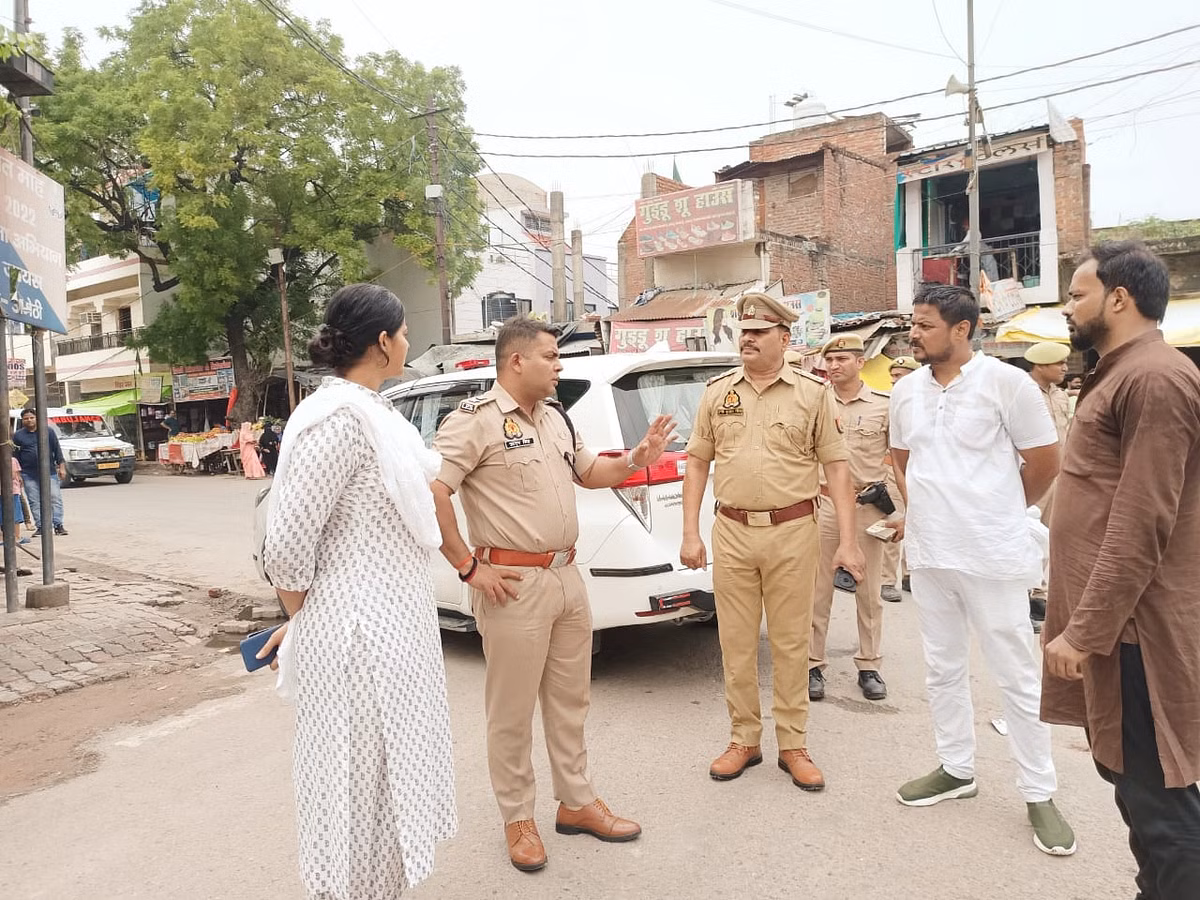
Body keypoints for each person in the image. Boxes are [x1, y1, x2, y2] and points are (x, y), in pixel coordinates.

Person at [432, 315, 673, 873]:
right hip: (511, 584)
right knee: (511, 711)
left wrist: (638, 457)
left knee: (570, 703)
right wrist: (468, 568)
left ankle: (578, 802)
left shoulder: (557, 418)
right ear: (517, 360)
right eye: (550, 357)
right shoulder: (473, 422)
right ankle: (518, 817)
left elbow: (588, 473)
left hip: (567, 578)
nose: (558, 366)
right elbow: (435, 493)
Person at [259, 284, 457, 899]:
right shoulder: (339, 421)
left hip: (394, 630)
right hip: (354, 639)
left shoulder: (380, 414)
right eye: (401, 334)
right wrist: (309, 616)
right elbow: (286, 547)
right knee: (353, 785)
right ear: (381, 341)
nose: (406, 344)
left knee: (389, 781)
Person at [888, 282, 1075, 856]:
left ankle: (1039, 790)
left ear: (962, 329)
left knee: (1015, 674)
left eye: (924, 325)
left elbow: (1046, 463)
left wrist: (994, 512)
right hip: (931, 553)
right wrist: (932, 516)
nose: (913, 334)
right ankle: (956, 768)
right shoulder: (906, 392)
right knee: (942, 668)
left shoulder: (1007, 383)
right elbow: (901, 461)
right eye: (913, 324)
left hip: (992, 555)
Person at [1041, 242, 1200, 898]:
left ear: (1118, 298)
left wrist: (1083, 633)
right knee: (1134, 786)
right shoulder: (1121, 372)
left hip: (1135, 630)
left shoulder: (1155, 378)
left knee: (1158, 795)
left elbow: (1142, 526)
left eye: (1077, 294)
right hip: (1116, 627)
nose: (1067, 307)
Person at [680, 292, 865, 791]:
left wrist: (849, 541)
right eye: (744, 332)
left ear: (784, 339)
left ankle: (793, 744)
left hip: (792, 532)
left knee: (789, 642)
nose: (748, 339)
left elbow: (837, 467)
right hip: (733, 532)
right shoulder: (718, 393)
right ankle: (744, 739)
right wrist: (690, 531)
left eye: (759, 333)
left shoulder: (812, 393)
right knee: (735, 644)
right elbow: (697, 461)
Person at [808, 334, 900, 703]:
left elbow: (897, 460)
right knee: (817, 590)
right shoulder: (815, 402)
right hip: (825, 503)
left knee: (870, 591)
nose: (834, 366)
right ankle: (813, 664)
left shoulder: (883, 406)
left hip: (868, 505)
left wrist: (897, 509)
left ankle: (869, 665)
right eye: (830, 360)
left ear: (860, 362)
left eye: (842, 359)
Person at [1023, 341, 1072, 632]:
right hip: (1032, 474)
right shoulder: (1023, 393)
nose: (1065, 368)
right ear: (1041, 366)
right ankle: (1023, 595)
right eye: (1059, 363)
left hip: (1059, 476)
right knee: (1027, 535)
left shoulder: (1062, 396)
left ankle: (1039, 592)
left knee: (1050, 536)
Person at [879, 356, 920, 603]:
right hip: (894, 472)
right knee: (895, 523)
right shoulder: (888, 402)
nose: (895, 381)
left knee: (920, 522)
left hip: (923, 473)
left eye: (900, 375)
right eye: (893, 376)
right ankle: (886, 580)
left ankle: (909, 574)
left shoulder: (929, 401)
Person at [13, 408, 67, 537]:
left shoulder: (48, 431)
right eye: (26, 418)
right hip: (28, 474)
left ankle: (58, 525)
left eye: (32, 417)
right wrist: (18, 474)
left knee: (55, 499)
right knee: (34, 501)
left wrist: (62, 467)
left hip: (49, 472)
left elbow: (57, 450)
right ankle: (41, 526)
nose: (29, 420)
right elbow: (15, 456)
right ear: (23, 420)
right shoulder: (18, 436)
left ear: (37, 418)